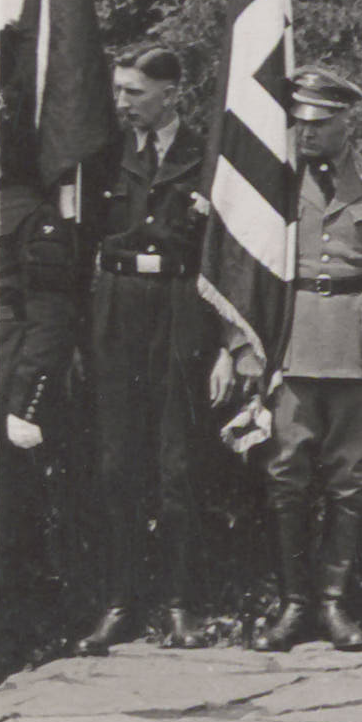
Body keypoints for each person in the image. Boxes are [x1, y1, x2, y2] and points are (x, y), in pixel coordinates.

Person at [216, 67, 362, 652]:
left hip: (358, 345)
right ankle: (293, 604)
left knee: (351, 480)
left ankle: (334, 606)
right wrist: (242, 346)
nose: (306, 133)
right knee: (285, 474)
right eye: (299, 121)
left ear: (345, 122)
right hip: (290, 342)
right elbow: (241, 268)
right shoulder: (273, 184)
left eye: (320, 122)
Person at [76, 45, 213, 654]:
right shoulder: (100, 154)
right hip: (116, 305)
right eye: (119, 90)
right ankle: (119, 602)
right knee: (115, 463)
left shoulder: (207, 155)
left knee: (178, 461)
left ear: (170, 93)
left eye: (135, 91)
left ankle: (182, 602)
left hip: (179, 304)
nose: (122, 102)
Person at [0, 73, 79, 680]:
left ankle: (14, 637)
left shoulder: (30, 217)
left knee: (7, 516)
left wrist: (25, 403)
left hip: (1, 384)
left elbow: (47, 319)